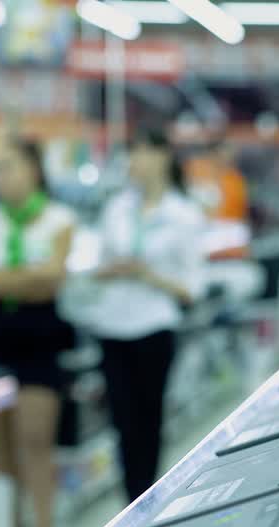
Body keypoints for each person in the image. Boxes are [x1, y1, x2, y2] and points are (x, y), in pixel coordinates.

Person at [0, 139, 77, 527]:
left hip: (39, 336)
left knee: (36, 437)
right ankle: (9, 522)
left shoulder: (58, 219)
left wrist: (9, 278)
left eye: (10, 166)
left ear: (34, 170)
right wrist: (30, 277)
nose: (3, 176)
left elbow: (53, 279)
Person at [85, 129, 207, 503]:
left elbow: (192, 287)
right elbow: (96, 265)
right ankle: (129, 501)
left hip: (154, 325)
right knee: (122, 421)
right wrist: (114, 270)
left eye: (140, 152)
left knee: (149, 419)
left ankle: (146, 498)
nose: (134, 162)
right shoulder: (116, 209)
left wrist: (147, 275)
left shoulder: (184, 216)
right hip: (113, 324)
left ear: (162, 158)